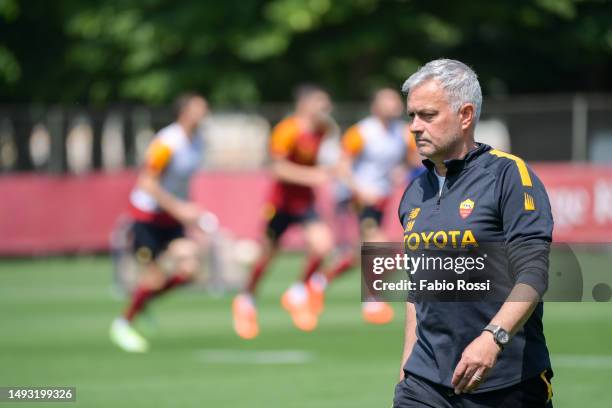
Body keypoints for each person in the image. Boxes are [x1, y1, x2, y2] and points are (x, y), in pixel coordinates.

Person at [394, 59, 554, 407]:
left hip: (505, 381)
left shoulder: (509, 175)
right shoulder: (413, 192)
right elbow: (418, 287)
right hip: (424, 385)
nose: (415, 127)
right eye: (411, 116)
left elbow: (534, 273)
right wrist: (407, 365)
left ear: (465, 115)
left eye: (428, 115)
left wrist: (492, 339)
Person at [309, 88, 421, 324]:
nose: (393, 105)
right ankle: (371, 298)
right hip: (357, 199)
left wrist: (400, 171)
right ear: (375, 106)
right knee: (385, 250)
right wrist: (359, 190)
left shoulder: (402, 133)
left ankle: (320, 280)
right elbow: (342, 166)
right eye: (387, 100)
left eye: (395, 100)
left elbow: (414, 161)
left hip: (381, 200)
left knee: (362, 255)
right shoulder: (361, 132)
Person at [232, 85, 335, 340]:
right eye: (321, 104)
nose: (326, 109)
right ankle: (246, 299)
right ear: (305, 104)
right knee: (267, 256)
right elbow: (277, 169)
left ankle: (298, 292)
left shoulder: (322, 130)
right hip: (280, 203)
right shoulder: (287, 131)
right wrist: (312, 176)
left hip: (304, 202)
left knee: (323, 246)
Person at [110, 93, 208, 352]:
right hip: (147, 218)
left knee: (191, 269)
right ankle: (122, 323)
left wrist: (190, 214)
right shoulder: (167, 142)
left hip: (171, 218)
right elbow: (147, 182)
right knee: (153, 278)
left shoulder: (198, 141)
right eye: (199, 108)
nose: (204, 113)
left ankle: (141, 302)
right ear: (184, 112)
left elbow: (182, 184)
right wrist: (180, 208)